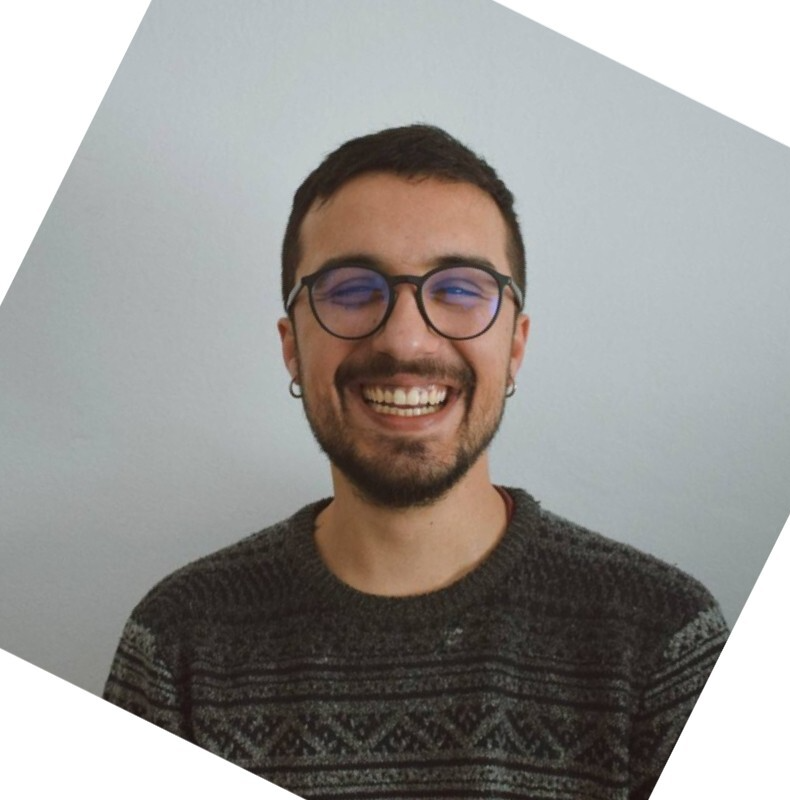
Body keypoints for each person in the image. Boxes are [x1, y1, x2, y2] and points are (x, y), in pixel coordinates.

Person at [104, 125, 728, 799]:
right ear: (292, 349)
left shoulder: (663, 643)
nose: (406, 339)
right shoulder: (178, 647)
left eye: (458, 290)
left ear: (515, 347)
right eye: (351, 290)